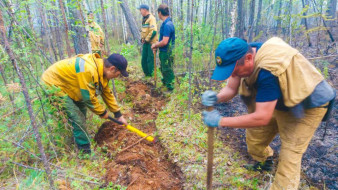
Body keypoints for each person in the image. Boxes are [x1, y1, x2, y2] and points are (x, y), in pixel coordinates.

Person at [202, 37, 335, 190]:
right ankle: (266, 162)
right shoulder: (240, 54)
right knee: (255, 139)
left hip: (307, 103)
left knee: (290, 155)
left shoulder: (268, 70)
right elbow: (231, 89)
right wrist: (216, 97)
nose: (233, 74)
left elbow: (261, 117)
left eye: (233, 71)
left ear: (249, 59)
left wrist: (220, 121)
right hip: (281, 98)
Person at [42, 53, 129, 154]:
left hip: (70, 85)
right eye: (118, 74)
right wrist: (102, 112)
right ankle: (85, 152)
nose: (116, 77)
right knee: (77, 118)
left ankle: (79, 138)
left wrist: (118, 115)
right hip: (53, 83)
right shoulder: (89, 70)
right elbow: (89, 98)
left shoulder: (101, 70)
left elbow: (106, 92)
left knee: (81, 114)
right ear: (112, 68)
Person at [151, 4, 175, 92]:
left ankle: (171, 88)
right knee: (163, 68)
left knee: (167, 69)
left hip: (167, 52)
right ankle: (165, 83)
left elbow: (165, 41)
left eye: (158, 13)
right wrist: (156, 45)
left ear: (160, 13)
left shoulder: (167, 25)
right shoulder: (166, 23)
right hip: (164, 51)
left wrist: (155, 45)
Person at [138, 4, 158, 77]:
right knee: (144, 59)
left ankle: (151, 75)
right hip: (146, 43)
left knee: (150, 59)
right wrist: (142, 39)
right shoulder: (144, 19)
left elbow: (154, 31)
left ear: (144, 9)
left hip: (151, 43)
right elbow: (144, 31)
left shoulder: (151, 18)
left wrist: (146, 40)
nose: (140, 11)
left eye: (140, 10)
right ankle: (147, 74)